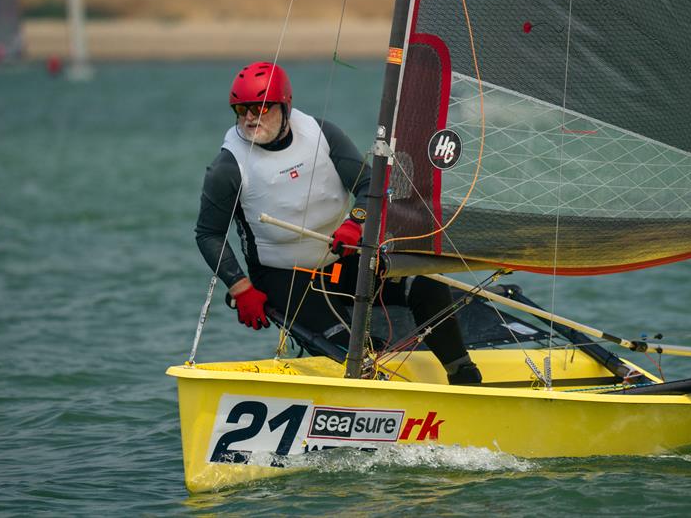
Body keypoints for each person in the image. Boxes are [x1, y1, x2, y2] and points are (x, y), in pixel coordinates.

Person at [195, 61, 482, 385]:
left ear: (285, 106)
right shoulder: (228, 167)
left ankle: (465, 376)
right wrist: (240, 286)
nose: (249, 119)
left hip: (342, 258)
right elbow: (208, 234)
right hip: (284, 280)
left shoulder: (322, 135)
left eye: (260, 108)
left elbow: (368, 187)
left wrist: (354, 224)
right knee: (349, 348)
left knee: (425, 282)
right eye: (241, 110)